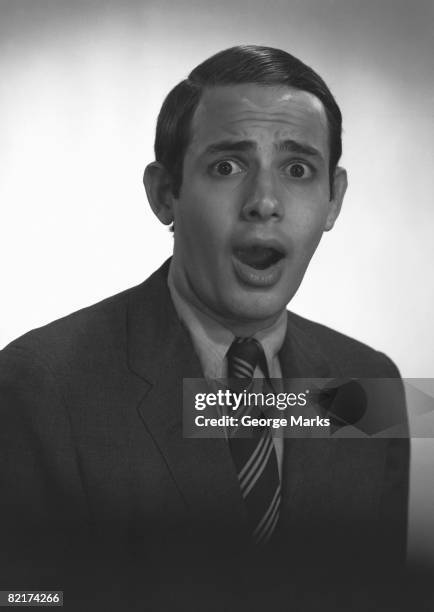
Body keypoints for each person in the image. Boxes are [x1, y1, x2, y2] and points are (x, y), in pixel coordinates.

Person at [0, 46, 409, 610]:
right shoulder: (35, 385)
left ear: (333, 198)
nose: (264, 202)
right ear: (165, 192)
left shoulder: (371, 382)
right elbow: (22, 597)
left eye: (297, 170)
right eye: (227, 166)